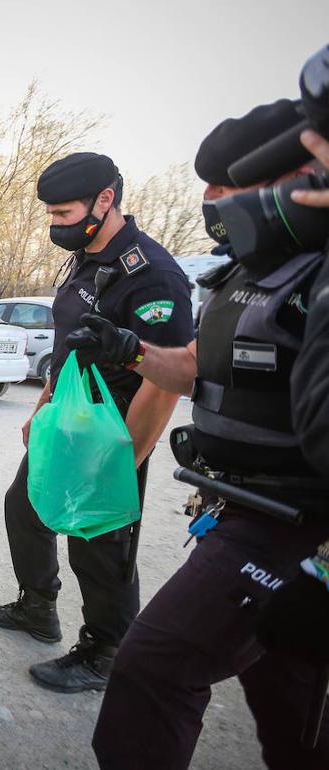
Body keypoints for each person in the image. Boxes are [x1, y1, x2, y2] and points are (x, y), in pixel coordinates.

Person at [72, 101, 329, 768]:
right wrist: (129, 349)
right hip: (233, 507)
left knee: (154, 668)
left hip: (296, 526)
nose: (211, 200)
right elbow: (192, 367)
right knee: (287, 703)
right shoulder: (243, 272)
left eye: (228, 185)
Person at [0, 152, 193, 692]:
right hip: (66, 421)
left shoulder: (153, 275)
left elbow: (165, 381)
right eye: (49, 213)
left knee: (100, 545)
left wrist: (122, 462)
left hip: (112, 433)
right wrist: (41, 407)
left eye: (64, 213)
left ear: (105, 200)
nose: (55, 225)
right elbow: (74, 348)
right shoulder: (87, 259)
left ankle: (104, 652)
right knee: (24, 508)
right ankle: (37, 608)